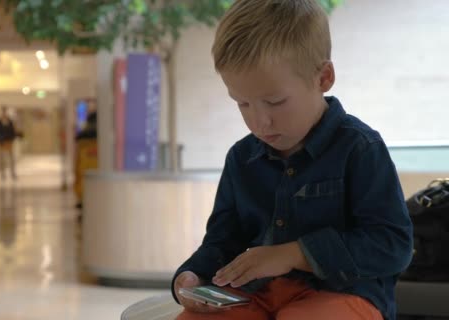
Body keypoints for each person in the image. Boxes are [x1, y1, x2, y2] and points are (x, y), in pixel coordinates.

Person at [172, 1, 413, 320]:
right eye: (242, 103)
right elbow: (222, 241)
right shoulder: (241, 158)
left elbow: (392, 246)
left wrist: (297, 254)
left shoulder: (360, 148)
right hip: (257, 294)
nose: (259, 122)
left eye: (275, 102)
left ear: (323, 77)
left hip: (343, 293)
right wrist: (191, 277)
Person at [0, 106, 18, 181]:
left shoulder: (10, 122)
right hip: (1, 143)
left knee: (11, 158)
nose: (4, 113)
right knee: (2, 159)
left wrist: (12, 139)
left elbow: (13, 132)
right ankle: (3, 174)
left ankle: (13, 173)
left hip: (9, 142)